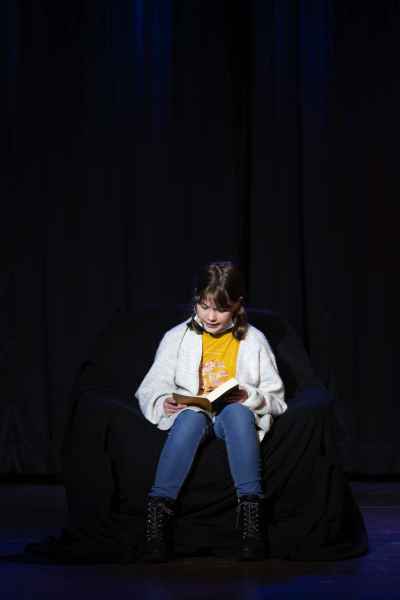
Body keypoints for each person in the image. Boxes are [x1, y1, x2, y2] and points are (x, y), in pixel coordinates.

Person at [136, 261, 287, 562]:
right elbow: (152, 386)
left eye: (221, 309)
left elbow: (277, 398)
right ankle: (157, 522)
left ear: (238, 305)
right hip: (195, 411)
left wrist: (250, 396)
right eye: (204, 307)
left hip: (230, 415)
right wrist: (164, 401)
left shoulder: (254, 340)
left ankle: (251, 522)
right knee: (191, 418)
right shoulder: (177, 337)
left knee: (238, 414)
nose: (211, 316)